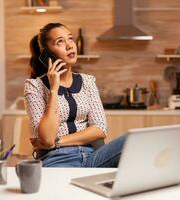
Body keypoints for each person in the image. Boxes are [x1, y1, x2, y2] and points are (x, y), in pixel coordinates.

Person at [24, 23, 126, 167]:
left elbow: (100, 128)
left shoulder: (88, 81)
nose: (70, 45)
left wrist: (57, 141)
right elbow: (47, 138)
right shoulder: (34, 86)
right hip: (57, 159)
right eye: (60, 41)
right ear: (47, 53)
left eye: (70, 39)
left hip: (93, 156)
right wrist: (53, 89)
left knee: (130, 140)